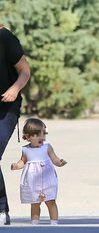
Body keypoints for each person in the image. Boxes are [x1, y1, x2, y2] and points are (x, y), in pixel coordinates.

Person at [0, 24, 30, 225]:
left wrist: (15, 88)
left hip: (6, 106)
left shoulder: (5, 37)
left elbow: (25, 71)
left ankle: (2, 209)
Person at [11, 118, 67, 225]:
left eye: (43, 134)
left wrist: (60, 162)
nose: (42, 137)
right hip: (33, 180)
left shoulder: (47, 147)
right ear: (28, 137)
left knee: (51, 201)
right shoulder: (26, 149)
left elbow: (54, 159)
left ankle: (54, 223)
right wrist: (16, 166)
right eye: (37, 135)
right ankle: (35, 223)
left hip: (47, 179)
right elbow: (23, 161)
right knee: (35, 203)